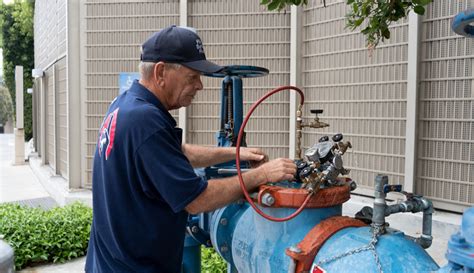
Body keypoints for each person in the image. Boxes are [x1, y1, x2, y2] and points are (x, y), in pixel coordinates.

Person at [85, 25, 296, 273]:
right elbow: (197, 201)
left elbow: (177, 153)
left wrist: (235, 153)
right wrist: (262, 175)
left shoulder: (126, 105)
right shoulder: (146, 121)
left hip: (108, 263)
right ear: (161, 72)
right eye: (192, 76)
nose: (199, 86)